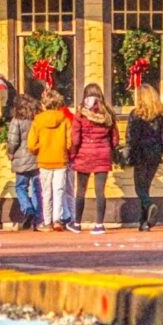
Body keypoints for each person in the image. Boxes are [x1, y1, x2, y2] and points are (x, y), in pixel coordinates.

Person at [70, 82, 118, 234]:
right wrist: (110, 149)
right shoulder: (107, 113)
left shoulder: (80, 114)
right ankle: (99, 225)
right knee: (100, 192)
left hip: (84, 155)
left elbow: (75, 139)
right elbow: (115, 139)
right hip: (103, 155)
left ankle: (77, 223)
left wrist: (73, 155)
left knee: (81, 191)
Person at [27, 88, 74, 231]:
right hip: (61, 159)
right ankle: (57, 219)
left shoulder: (38, 120)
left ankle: (47, 222)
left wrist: (39, 149)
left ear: (44, 104)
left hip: (44, 160)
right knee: (59, 190)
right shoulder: (65, 119)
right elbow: (70, 142)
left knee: (46, 192)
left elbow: (31, 144)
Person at [126, 85, 163, 231]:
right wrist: (160, 151)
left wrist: (129, 152)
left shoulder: (135, 114)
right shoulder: (159, 115)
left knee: (140, 189)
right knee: (146, 187)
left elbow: (131, 137)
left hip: (140, 153)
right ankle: (144, 222)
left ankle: (150, 206)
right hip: (155, 153)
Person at [4, 93, 41, 230]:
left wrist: (11, 153)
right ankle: (37, 218)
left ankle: (27, 209)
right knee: (37, 188)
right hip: (36, 157)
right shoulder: (36, 117)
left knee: (20, 187)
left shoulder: (16, 120)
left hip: (21, 159)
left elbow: (13, 140)